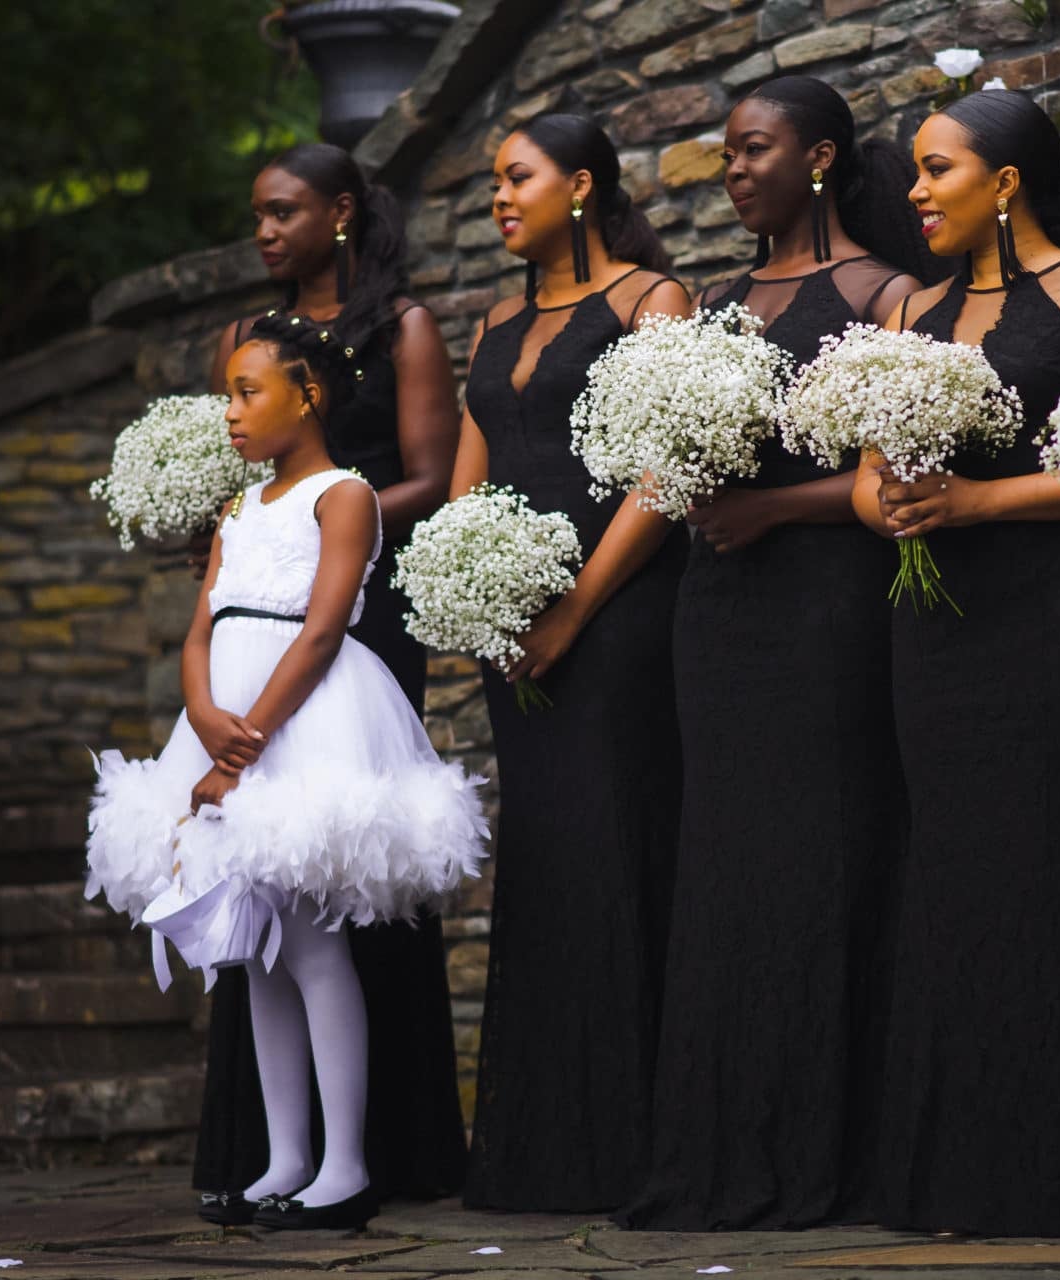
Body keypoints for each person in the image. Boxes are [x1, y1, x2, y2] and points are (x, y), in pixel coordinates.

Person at [86, 311, 485, 1230]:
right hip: (224, 721)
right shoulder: (236, 507)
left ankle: (345, 1165)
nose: (229, 412)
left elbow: (321, 628)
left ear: (307, 395)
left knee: (310, 946)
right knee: (255, 956)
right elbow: (202, 628)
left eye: (246, 392)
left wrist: (244, 745)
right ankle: (284, 1156)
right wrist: (201, 717)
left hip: (299, 726)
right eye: (229, 394)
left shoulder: (343, 495)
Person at [850, 88, 1060, 1236]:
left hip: (1051, 613)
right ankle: (957, 1165)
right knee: (949, 862)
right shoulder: (908, 311)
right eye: (915, 173)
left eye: (936, 170)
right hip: (931, 618)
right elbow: (861, 477)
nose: (915, 191)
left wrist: (984, 497)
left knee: (1050, 853)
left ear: (1007, 182)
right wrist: (892, 502)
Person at [619, 75, 930, 1233]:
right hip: (718, 611)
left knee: (826, 852)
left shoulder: (887, 295)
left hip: (825, 607)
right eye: (727, 153)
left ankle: (825, 1148)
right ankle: (718, 1144)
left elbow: (889, 479)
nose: (732, 169)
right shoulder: (711, 300)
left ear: (820, 159)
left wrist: (772, 511)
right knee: (725, 862)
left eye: (753, 150)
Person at [193, 143, 468, 1220]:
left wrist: (323, 531)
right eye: (254, 213)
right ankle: (276, 1151)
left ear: (341, 211)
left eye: (282, 210)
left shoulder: (398, 327)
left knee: (340, 890)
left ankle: (370, 1152)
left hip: (347, 627)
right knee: (263, 914)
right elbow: (240, 472)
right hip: (252, 636)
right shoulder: (244, 347)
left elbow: (433, 476)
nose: (262, 229)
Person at [454, 113, 691, 1213]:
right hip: (515, 634)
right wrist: (479, 601)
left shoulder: (653, 302)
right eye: (494, 184)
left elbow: (662, 475)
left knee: (619, 852)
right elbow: (468, 482)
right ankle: (543, 1149)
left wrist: (574, 612)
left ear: (581, 185)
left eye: (517, 178)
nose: (499, 198)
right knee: (545, 864)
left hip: (623, 621)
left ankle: (639, 1147)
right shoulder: (494, 322)